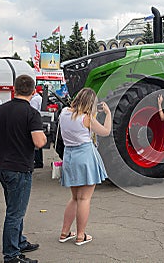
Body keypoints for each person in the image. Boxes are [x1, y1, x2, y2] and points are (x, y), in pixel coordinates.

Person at [0, 75, 47, 263]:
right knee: (15, 212)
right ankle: (11, 255)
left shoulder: (0, 110)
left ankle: (19, 241)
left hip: (4, 166)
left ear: (14, 88)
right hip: (20, 168)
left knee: (14, 207)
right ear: (34, 90)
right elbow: (38, 141)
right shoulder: (31, 113)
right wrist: (44, 137)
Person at [58, 88, 111, 246]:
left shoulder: (64, 113)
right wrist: (108, 114)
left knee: (74, 198)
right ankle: (80, 235)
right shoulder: (87, 118)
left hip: (70, 156)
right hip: (85, 156)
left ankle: (64, 232)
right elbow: (106, 131)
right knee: (84, 198)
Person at [30, 89, 44, 168]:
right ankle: (39, 161)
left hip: (34, 123)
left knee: (35, 143)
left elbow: (32, 112)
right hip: (38, 121)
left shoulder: (34, 100)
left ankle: (38, 161)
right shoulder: (38, 98)